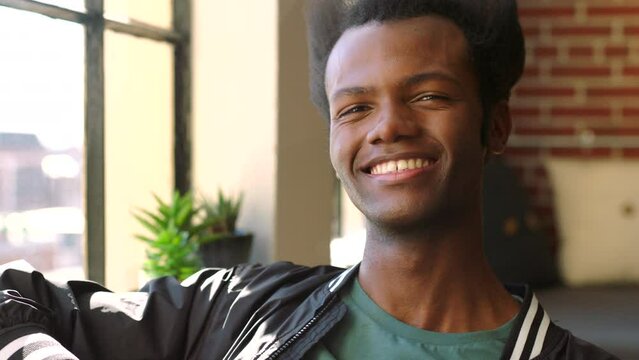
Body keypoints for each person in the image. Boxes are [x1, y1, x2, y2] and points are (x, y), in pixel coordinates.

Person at [0, 1, 617, 359]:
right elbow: (14, 302)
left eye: (428, 95)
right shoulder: (236, 308)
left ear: (496, 125)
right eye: (354, 108)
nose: (387, 127)